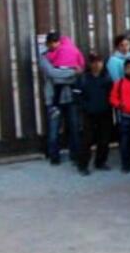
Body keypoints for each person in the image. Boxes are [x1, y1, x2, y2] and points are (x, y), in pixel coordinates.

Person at [39, 31, 84, 165]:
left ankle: (75, 155)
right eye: (51, 42)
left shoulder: (68, 53)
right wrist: (72, 72)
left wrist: (67, 72)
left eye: (56, 42)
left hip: (70, 98)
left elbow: (79, 70)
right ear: (47, 43)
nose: (54, 45)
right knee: (54, 129)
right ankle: (54, 156)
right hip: (53, 99)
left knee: (74, 127)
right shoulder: (44, 57)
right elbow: (52, 73)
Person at [74, 53, 113, 175]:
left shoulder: (107, 78)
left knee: (104, 139)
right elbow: (76, 95)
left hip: (105, 113)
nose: (97, 65)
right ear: (89, 64)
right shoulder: (83, 78)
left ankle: (100, 162)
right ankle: (83, 165)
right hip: (88, 114)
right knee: (87, 140)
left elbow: (112, 95)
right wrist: (85, 106)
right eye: (94, 62)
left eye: (99, 62)